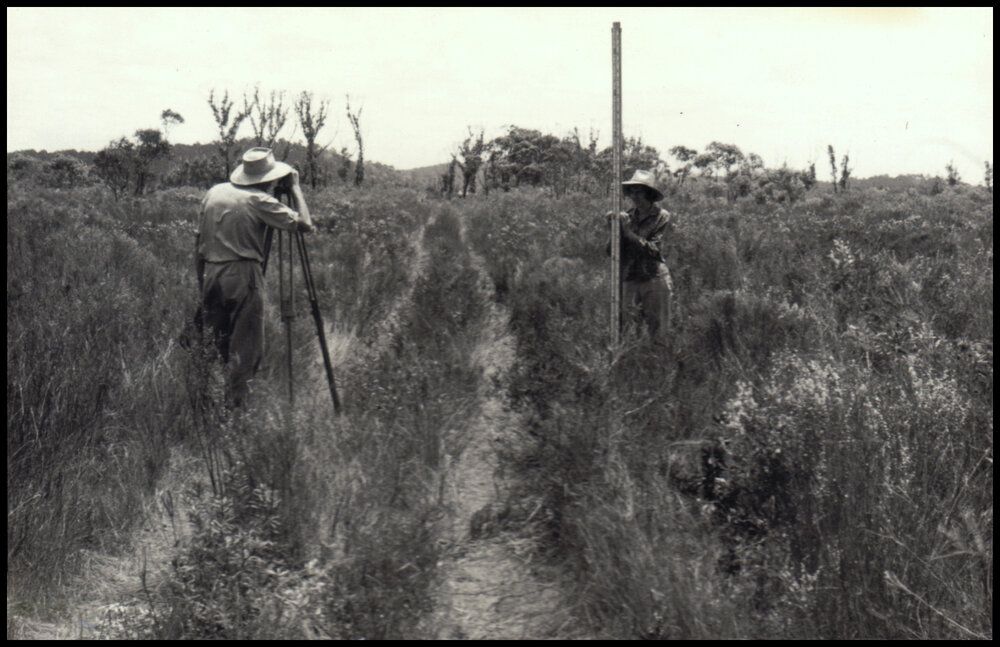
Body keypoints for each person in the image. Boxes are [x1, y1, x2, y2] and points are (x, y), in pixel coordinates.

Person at [194, 147, 315, 407]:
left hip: (211, 273)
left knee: (212, 343)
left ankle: (203, 404)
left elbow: (197, 243)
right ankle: (235, 410)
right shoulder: (259, 200)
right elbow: (305, 224)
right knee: (246, 348)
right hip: (243, 275)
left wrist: (201, 284)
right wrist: (295, 189)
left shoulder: (214, 192)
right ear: (269, 178)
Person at [606, 169, 676, 344]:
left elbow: (655, 250)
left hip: (654, 279)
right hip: (630, 278)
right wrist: (614, 230)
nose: (634, 196)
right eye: (632, 191)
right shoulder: (627, 216)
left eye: (639, 191)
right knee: (629, 332)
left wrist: (628, 233)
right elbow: (611, 252)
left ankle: (659, 367)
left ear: (648, 193)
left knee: (658, 333)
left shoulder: (662, 217)